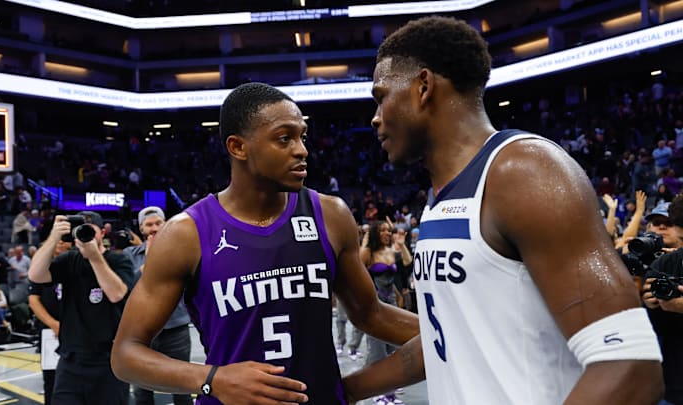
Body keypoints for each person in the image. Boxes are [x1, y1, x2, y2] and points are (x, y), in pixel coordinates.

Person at [345, 16, 664, 404]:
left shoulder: (523, 172)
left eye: (381, 97)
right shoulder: (439, 200)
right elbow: (448, 339)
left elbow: (630, 364)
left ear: (423, 87)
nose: (375, 117)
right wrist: (339, 391)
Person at [111, 82, 420, 404]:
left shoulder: (330, 214)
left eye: (302, 136)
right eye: (284, 138)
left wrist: (452, 330)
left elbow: (370, 314)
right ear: (238, 147)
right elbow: (125, 354)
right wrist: (212, 379)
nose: (301, 150)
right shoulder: (186, 233)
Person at [28, 210, 134, 405]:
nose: (85, 237)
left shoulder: (118, 260)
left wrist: (94, 257)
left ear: (102, 233)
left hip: (108, 360)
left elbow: (116, 294)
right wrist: (54, 236)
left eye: (90, 231)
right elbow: (35, 275)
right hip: (71, 359)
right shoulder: (69, 260)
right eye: (81, 231)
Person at [124, 206, 193, 405]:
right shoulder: (129, 255)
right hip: (142, 331)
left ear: (166, 224)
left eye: (158, 223)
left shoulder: (182, 251)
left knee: (183, 387)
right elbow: (128, 286)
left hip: (175, 329)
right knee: (141, 389)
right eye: (149, 225)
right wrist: (150, 259)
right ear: (142, 229)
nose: (154, 228)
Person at [360, 220, 412, 405]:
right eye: (382, 230)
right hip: (375, 303)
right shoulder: (368, 252)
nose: (387, 233)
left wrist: (402, 243)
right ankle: (378, 392)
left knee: (392, 349)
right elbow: (355, 274)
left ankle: (387, 390)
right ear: (375, 232)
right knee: (377, 350)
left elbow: (407, 261)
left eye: (388, 230)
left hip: (390, 301)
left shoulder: (391, 251)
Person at [642, 194, 683, 405]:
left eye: (667, 223)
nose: (662, 229)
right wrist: (649, 304)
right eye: (656, 223)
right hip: (673, 383)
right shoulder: (663, 266)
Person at [28, 238, 71, 405]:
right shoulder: (41, 269)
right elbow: (33, 301)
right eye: (57, 241)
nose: (61, 244)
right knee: (52, 380)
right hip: (50, 331)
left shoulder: (77, 265)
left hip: (78, 330)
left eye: (64, 241)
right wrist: (53, 323)